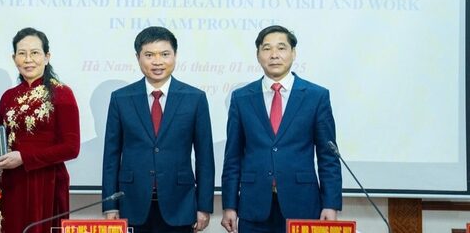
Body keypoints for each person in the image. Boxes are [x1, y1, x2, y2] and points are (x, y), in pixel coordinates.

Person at [221, 25, 342, 233]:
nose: (274, 55)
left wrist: (330, 204)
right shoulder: (241, 98)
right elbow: (232, 157)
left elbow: (328, 157)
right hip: (253, 207)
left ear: (293, 53)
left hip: (303, 205)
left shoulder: (316, 96)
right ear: (258, 55)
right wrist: (229, 205)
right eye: (267, 48)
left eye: (281, 48)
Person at [102, 26, 214, 233]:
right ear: (138, 58)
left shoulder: (195, 98)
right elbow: (111, 156)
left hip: (180, 203)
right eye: (149, 55)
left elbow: (205, 156)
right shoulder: (120, 98)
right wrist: (110, 205)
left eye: (164, 54)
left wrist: (204, 205)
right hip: (132, 202)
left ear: (175, 55)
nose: (157, 61)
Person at [0, 27, 80, 233]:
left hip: (46, 183)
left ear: (47, 57)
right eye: (22, 53)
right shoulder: (8, 97)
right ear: (14, 58)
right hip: (11, 181)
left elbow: (71, 148)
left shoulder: (62, 94)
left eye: (35, 53)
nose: (28, 59)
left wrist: (24, 157)